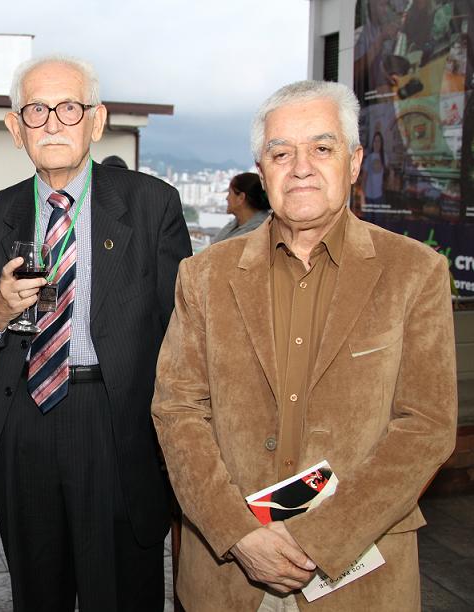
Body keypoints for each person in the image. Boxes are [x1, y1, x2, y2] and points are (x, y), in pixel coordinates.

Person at [151, 80, 457, 611]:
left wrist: (322, 539)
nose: (300, 167)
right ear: (262, 169)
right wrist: (238, 533)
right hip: (228, 577)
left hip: (359, 577)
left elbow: (426, 426)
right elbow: (177, 410)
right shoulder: (203, 275)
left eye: (321, 147)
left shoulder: (415, 272)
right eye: (280, 152)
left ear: (355, 161)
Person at [0, 55, 191, 611]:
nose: (54, 123)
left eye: (69, 107)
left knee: (121, 592)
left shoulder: (150, 204)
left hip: (115, 422)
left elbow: (183, 333)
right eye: (36, 111)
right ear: (16, 130)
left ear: (97, 120)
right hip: (23, 423)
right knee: (36, 592)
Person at [214, 172, 271, 243]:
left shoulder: (257, 233)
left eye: (229, 193)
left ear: (241, 198)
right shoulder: (235, 224)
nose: (227, 198)